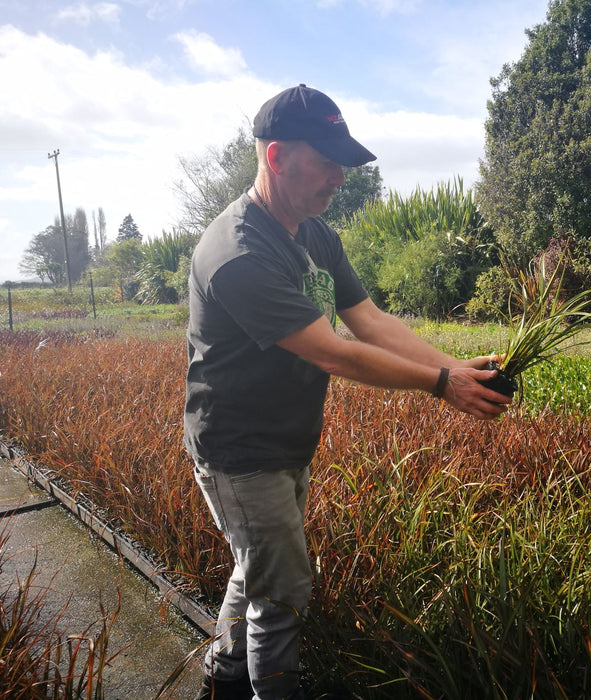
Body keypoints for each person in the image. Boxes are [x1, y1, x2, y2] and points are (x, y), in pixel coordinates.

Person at [184, 84, 511, 700]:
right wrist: (443, 385)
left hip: (287, 441)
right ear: (277, 157)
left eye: (344, 162)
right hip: (240, 451)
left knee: (257, 566)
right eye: (327, 160)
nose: (340, 176)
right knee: (281, 596)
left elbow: (370, 321)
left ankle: (221, 678)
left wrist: (456, 366)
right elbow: (332, 351)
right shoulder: (239, 253)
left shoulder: (314, 234)